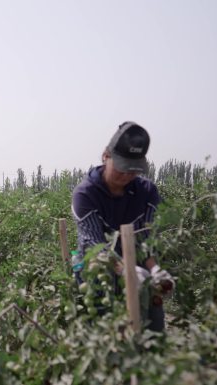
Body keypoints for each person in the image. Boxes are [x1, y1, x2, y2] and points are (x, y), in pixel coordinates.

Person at [72, 121, 174, 332]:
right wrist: (126, 271)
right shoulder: (85, 194)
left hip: (136, 268)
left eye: (133, 170)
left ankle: (151, 354)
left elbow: (145, 238)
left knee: (152, 323)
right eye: (122, 168)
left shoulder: (146, 192)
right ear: (105, 156)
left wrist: (154, 269)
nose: (127, 176)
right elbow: (95, 246)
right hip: (97, 270)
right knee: (104, 326)